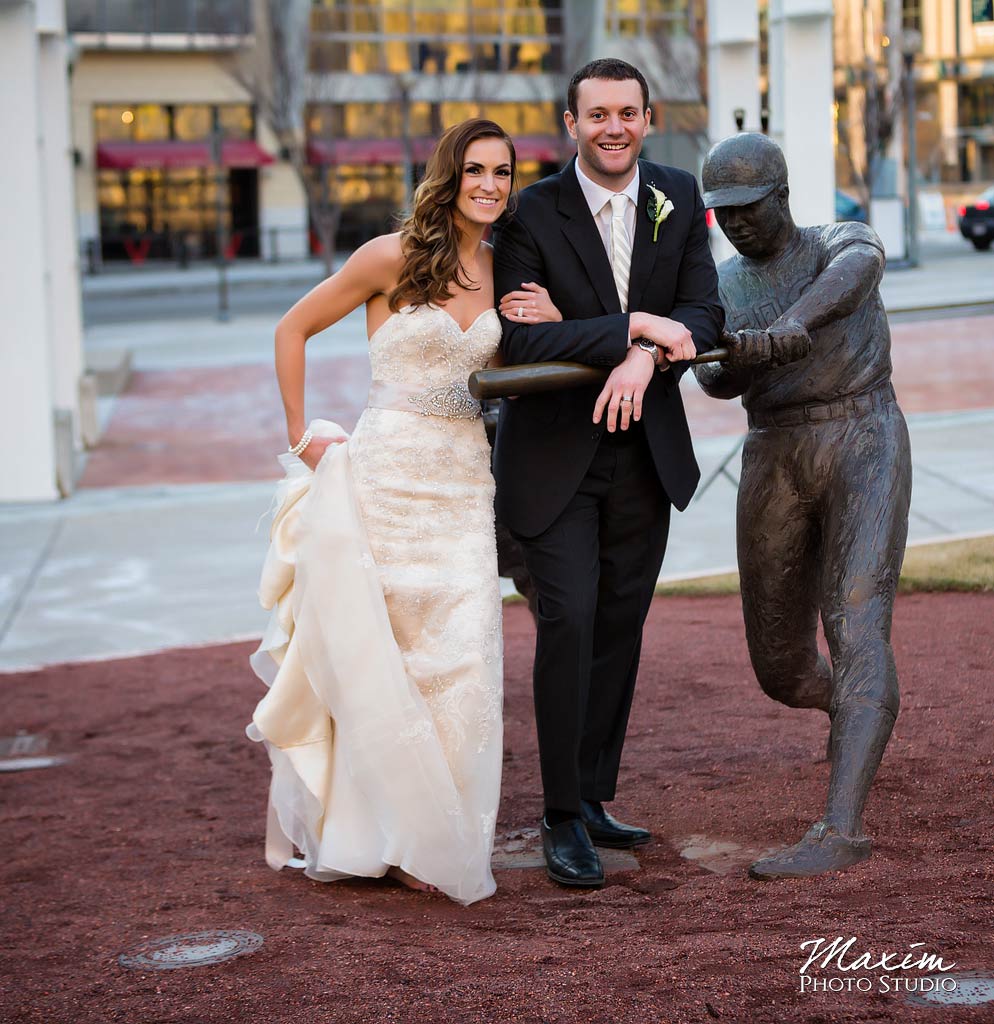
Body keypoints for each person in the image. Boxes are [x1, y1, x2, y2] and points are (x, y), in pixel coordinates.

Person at [247, 119, 559, 905]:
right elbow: (293, 329)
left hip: (461, 481)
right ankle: (374, 831)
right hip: (384, 475)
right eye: (476, 170)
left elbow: (528, 365)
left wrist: (549, 318)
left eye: (503, 172)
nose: (491, 184)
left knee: (461, 661)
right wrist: (300, 433)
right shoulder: (387, 257)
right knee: (382, 658)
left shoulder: (505, 270)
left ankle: (436, 838)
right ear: (449, 177)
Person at [492, 59, 724, 889]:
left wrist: (634, 351)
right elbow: (520, 340)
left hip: (643, 457)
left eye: (627, 112)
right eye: (598, 115)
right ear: (571, 124)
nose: (613, 127)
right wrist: (632, 331)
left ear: (648, 118)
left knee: (620, 629)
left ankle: (592, 798)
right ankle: (557, 817)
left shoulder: (675, 192)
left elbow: (705, 315)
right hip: (555, 459)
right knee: (570, 623)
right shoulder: (530, 212)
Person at [694, 132, 912, 880]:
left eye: (749, 209)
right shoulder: (722, 282)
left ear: (782, 197)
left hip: (862, 434)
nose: (736, 224)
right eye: (723, 213)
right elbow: (713, 381)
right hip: (775, 449)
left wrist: (794, 323)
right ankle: (858, 709)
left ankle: (842, 826)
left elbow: (861, 269)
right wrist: (732, 356)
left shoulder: (833, 241)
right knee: (781, 668)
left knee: (856, 621)